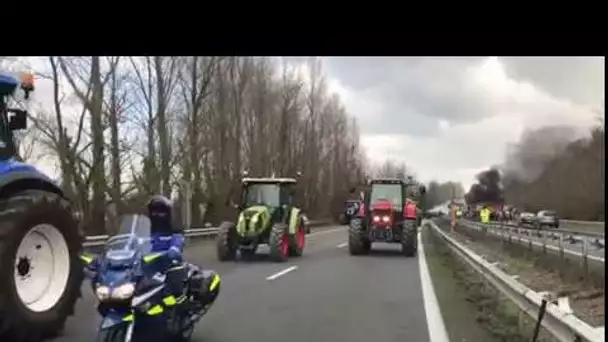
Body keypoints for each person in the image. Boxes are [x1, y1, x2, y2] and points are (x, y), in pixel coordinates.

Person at [147, 195, 188, 297]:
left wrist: (174, 250)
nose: (157, 215)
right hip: (147, 270)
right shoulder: (146, 233)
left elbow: (177, 243)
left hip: (166, 268)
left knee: (171, 294)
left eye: (161, 212)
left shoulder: (174, 232)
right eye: (154, 212)